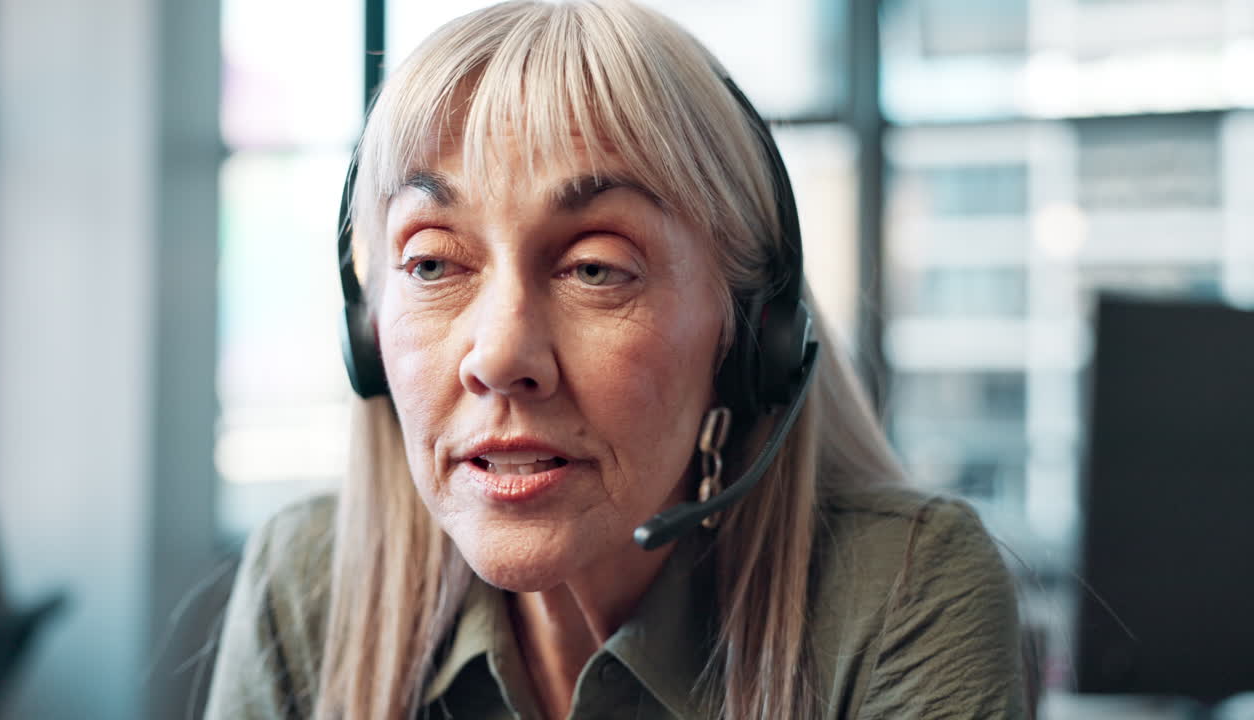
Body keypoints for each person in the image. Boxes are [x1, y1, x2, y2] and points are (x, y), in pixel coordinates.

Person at [203, 1, 1026, 718]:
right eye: (432, 263)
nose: (499, 356)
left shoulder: (902, 594)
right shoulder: (305, 589)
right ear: (367, 332)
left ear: (749, 334)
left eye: (595, 267)